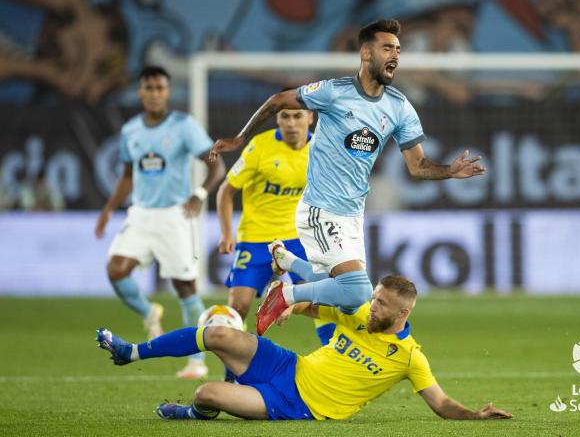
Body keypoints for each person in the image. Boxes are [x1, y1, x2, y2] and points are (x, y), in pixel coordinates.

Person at [209, 19, 487, 335]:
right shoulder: (333, 92)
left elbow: (417, 165)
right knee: (357, 290)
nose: (395, 55)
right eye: (387, 48)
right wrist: (239, 139)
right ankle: (285, 294)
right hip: (320, 209)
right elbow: (278, 100)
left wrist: (449, 171)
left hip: (353, 215)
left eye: (397, 49)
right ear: (366, 54)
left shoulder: (399, 107)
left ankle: (286, 261)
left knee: (347, 301)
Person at [96, 275, 512, 422]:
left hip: (295, 404)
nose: (372, 305)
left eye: (382, 303)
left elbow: (439, 404)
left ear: (402, 314)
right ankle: (131, 352)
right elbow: (320, 307)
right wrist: (292, 306)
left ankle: (194, 414)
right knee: (220, 333)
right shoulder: (360, 313)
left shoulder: (409, 357)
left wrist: (475, 415)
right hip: (288, 365)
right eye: (375, 297)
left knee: (206, 395)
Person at [94, 65, 225, 379]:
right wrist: (109, 208)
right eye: (149, 88)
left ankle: (196, 361)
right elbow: (127, 176)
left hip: (175, 216)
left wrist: (198, 194)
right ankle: (149, 311)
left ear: (167, 92)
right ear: (140, 91)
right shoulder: (130, 131)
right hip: (141, 214)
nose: (154, 93)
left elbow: (216, 166)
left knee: (185, 288)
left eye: (160, 88)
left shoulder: (183, 126)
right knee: (116, 270)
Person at [217, 105, 336, 354]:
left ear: (310, 117)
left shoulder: (323, 149)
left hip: (298, 238)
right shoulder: (260, 146)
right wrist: (227, 232)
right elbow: (226, 191)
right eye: (285, 117)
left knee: (322, 299)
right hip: (256, 238)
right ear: (277, 119)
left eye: (297, 116)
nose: (291, 123)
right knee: (238, 307)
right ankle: (235, 370)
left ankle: (334, 355)